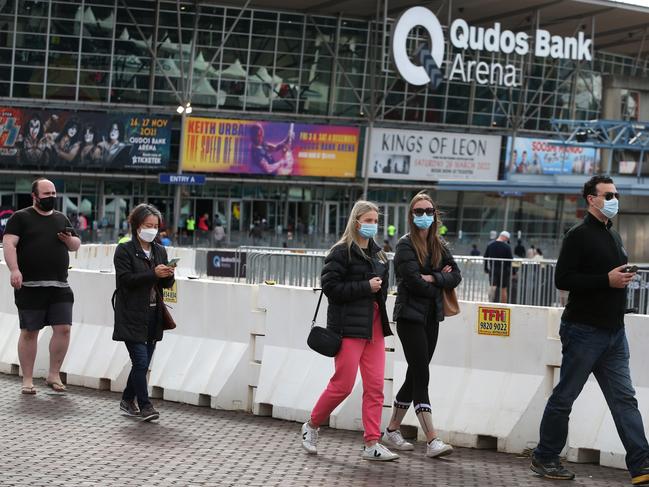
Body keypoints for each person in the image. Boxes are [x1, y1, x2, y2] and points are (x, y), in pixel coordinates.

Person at [531, 176, 649, 485]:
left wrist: (622, 278)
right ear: (590, 199)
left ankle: (642, 465)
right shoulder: (578, 235)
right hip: (583, 331)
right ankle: (545, 456)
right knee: (565, 397)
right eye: (608, 194)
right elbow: (564, 279)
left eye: (616, 194)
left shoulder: (613, 235)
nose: (614, 199)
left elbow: (607, 275)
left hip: (613, 333)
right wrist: (605, 281)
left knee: (625, 400)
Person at [300, 200, 398, 461]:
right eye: (368, 220)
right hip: (347, 329)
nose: (372, 225)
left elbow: (382, 290)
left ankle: (372, 443)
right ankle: (311, 425)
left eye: (375, 221)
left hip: (374, 328)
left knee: (376, 387)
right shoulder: (340, 252)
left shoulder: (380, 255)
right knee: (343, 385)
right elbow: (331, 288)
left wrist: (375, 290)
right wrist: (366, 287)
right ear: (356, 222)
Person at [383, 192, 461, 458]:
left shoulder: (439, 244)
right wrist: (439, 280)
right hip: (409, 317)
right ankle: (432, 439)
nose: (424, 215)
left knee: (416, 372)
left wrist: (432, 278)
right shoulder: (405, 246)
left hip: (431, 317)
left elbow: (457, 275)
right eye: (418, 211)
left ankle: (392, 429)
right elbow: (413, 282)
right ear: (411, 215)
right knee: (422, 374)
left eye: (428, 210)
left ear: (435, 214)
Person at [2, 178, 81, 394]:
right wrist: (15, 270)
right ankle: (27, 379)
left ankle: (54, 375)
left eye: (54, 193)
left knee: (63, 329)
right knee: (29, 332)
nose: (51, 197)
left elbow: (76, 244)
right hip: (30, 285)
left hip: (59, 285)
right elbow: (9, 244)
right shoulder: (21, 218)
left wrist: (68, 240)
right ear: (34, 196)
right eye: (46, 194)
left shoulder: (61, 218)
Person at [112, 204, 175, 422]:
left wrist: (168, 274)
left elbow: (166, 284)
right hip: (131, 314)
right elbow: (125, 281)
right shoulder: (125, 250)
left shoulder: (159, 250)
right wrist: (152, 273)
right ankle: (145, 405)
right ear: (137, 226)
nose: (153, 229)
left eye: (156, 226)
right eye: (148, 225)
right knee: (140, 361)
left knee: (144, 362)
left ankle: (127, 399)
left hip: (153, 314)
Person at [483, 231, 513, 303]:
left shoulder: (490, 245)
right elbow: (510, 260)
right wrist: (512, 271)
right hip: (504, 270)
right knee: (503, 289)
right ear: (504, 237)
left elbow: (485, 257)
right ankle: (504, 305)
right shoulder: (507, 247)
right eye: (507, 239)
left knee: (492, 287)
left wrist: (486, 268)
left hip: (493, 269)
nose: (507, 240)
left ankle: (490, 303)